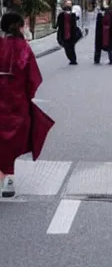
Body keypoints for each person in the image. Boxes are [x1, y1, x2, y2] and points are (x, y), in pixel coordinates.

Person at [0, 12, 53, 198]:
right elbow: (33, 79)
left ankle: (3, 176)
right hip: (16, 102)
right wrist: (26, 95)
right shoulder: (23, 48)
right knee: (12, 140)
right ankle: (9, 179)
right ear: (19, 26)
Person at [94, 0, 112, 65]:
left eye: (106, 1)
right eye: (104, 1)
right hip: (101, 30)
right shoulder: (100, 11)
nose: (105, 2)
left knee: (109, 45)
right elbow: (98, 22)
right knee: (99, 43)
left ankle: (110, 59)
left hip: (110, 30)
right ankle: (97, 59)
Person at [56, 0, 80, 65]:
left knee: (70, 47)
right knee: (68, 47)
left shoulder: (72, 15)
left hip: (70, 33)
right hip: (65, 33)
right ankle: (72, 59)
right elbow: (58, 24)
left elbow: (74, 24)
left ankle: (73, 60)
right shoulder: (61, 15)